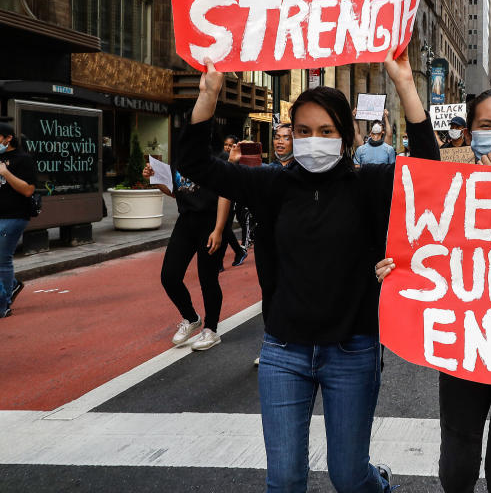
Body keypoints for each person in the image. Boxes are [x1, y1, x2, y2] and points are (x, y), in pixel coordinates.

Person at [178, 49, 436, 492]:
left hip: (352, 351)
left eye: (326, 131)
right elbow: (195, 163)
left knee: (350, 476)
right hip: (283, 352)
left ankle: (380, 483)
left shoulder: (370, 186)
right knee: (284, 480)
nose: (313, 139)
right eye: (303, 131)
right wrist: (208, 95)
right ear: (291, 135)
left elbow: (428, 171)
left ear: (346, 137)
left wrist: (407, 86)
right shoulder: (271, 185)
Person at [376, 88, 491, 493]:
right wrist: (398, 268)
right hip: (464, 344)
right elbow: (421, 243)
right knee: (457, 461)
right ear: (469, 133)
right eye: (487, 125)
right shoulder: (445, 187)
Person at [142, 159, 231, 351]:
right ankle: (191, 318)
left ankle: (211, 329)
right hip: (185, 223)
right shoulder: (180, 161)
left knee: (208, 279)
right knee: (169, 276)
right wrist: (155, 180)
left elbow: (226, 194)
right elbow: (177, 192)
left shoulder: (213, 160)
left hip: (210, 223)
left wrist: (219, 229)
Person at [0, 122, 36, 318]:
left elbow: (28, 190)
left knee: (2, 259)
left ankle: (3, 305)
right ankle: (12, 285)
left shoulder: (23, 159)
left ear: (8, 138)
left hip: (13, 216)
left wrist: (6, 173)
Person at [218, 136, 248, 268]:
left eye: (231, 145)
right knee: (224, 229)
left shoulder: (236, 158)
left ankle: (220, 262)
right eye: (226, 145)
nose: (227, 148)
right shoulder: (222, 156)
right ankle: (238, 252)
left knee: (225, 229)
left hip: (232, 198)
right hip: (221, 197)